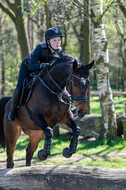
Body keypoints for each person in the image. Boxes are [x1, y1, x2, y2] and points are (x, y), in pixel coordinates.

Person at [6, 27, 64, 121]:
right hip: (28, 67)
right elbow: (31, 66)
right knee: (20, 86)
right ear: (48, 42)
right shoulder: (40, 48)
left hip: (43, 70)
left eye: (59, 40)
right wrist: (42, 65)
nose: (58, 43)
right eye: (54, 40)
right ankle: (12, 111)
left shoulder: (60, 52)